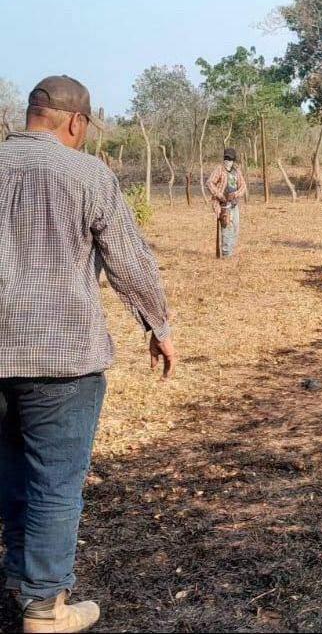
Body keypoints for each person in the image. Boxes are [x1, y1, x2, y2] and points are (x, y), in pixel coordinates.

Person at [0, 75, 175, 633]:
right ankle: (45, 607)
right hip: (63, 358)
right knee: (54, 479)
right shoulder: (87, 174)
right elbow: (127, 256)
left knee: (11, 472)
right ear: (76, 122)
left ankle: (16, 578)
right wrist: (158, 324)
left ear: (31, 113)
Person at [206, 148, 247, 258]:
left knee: (235, 229)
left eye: (230, 158)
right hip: (223, 205)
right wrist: (220, 195)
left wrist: (237, 194)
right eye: (226, 158)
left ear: (233, 160)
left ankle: (230, 252)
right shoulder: (219, 169)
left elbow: (243, 186)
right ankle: (226, 255)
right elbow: (209, 183)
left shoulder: (236, 171)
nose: (227, 160)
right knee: (226, 228)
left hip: (234, 203)